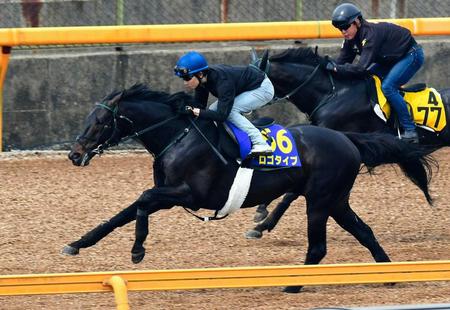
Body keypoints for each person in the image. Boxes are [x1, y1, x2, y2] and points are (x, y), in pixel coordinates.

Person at [323, 3, 424, 143]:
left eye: (346, 27)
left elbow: (360, 68)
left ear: (357, 21)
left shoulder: (370, 35)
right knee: (367, 80)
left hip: (410, 55)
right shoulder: (349, 40)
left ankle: (410, 131)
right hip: (391, 59)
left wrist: (335, 68)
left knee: (388, 87)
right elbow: (341, 62)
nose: (343, 32)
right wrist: (325, 67)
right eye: (340, 29)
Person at [174, 51, 275, 155]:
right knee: (213, 109)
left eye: (187, 78)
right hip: (245, 88)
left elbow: (221, 115)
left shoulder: (222, 82)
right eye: (183, 78)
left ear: (200, 74)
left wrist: (194, 111)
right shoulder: (203, 80)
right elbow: (200, 106)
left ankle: (261, 143)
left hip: (262, 88)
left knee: (231, 111)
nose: (185, 83)